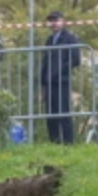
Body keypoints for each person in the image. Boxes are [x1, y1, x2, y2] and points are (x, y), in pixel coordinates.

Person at [40, 10, 82, 144]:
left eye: (56, 20)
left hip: (62, 82)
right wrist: (43, 84)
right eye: (51, 21)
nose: (53, 24)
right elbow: (45, 62)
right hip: (49, 83)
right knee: (51, 115)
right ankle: (54, 143)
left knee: (63, 113)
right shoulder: (49, 40)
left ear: (63, 21)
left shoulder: (70, 38)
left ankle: (68, 144)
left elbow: (76, 59)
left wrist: (61, 69)